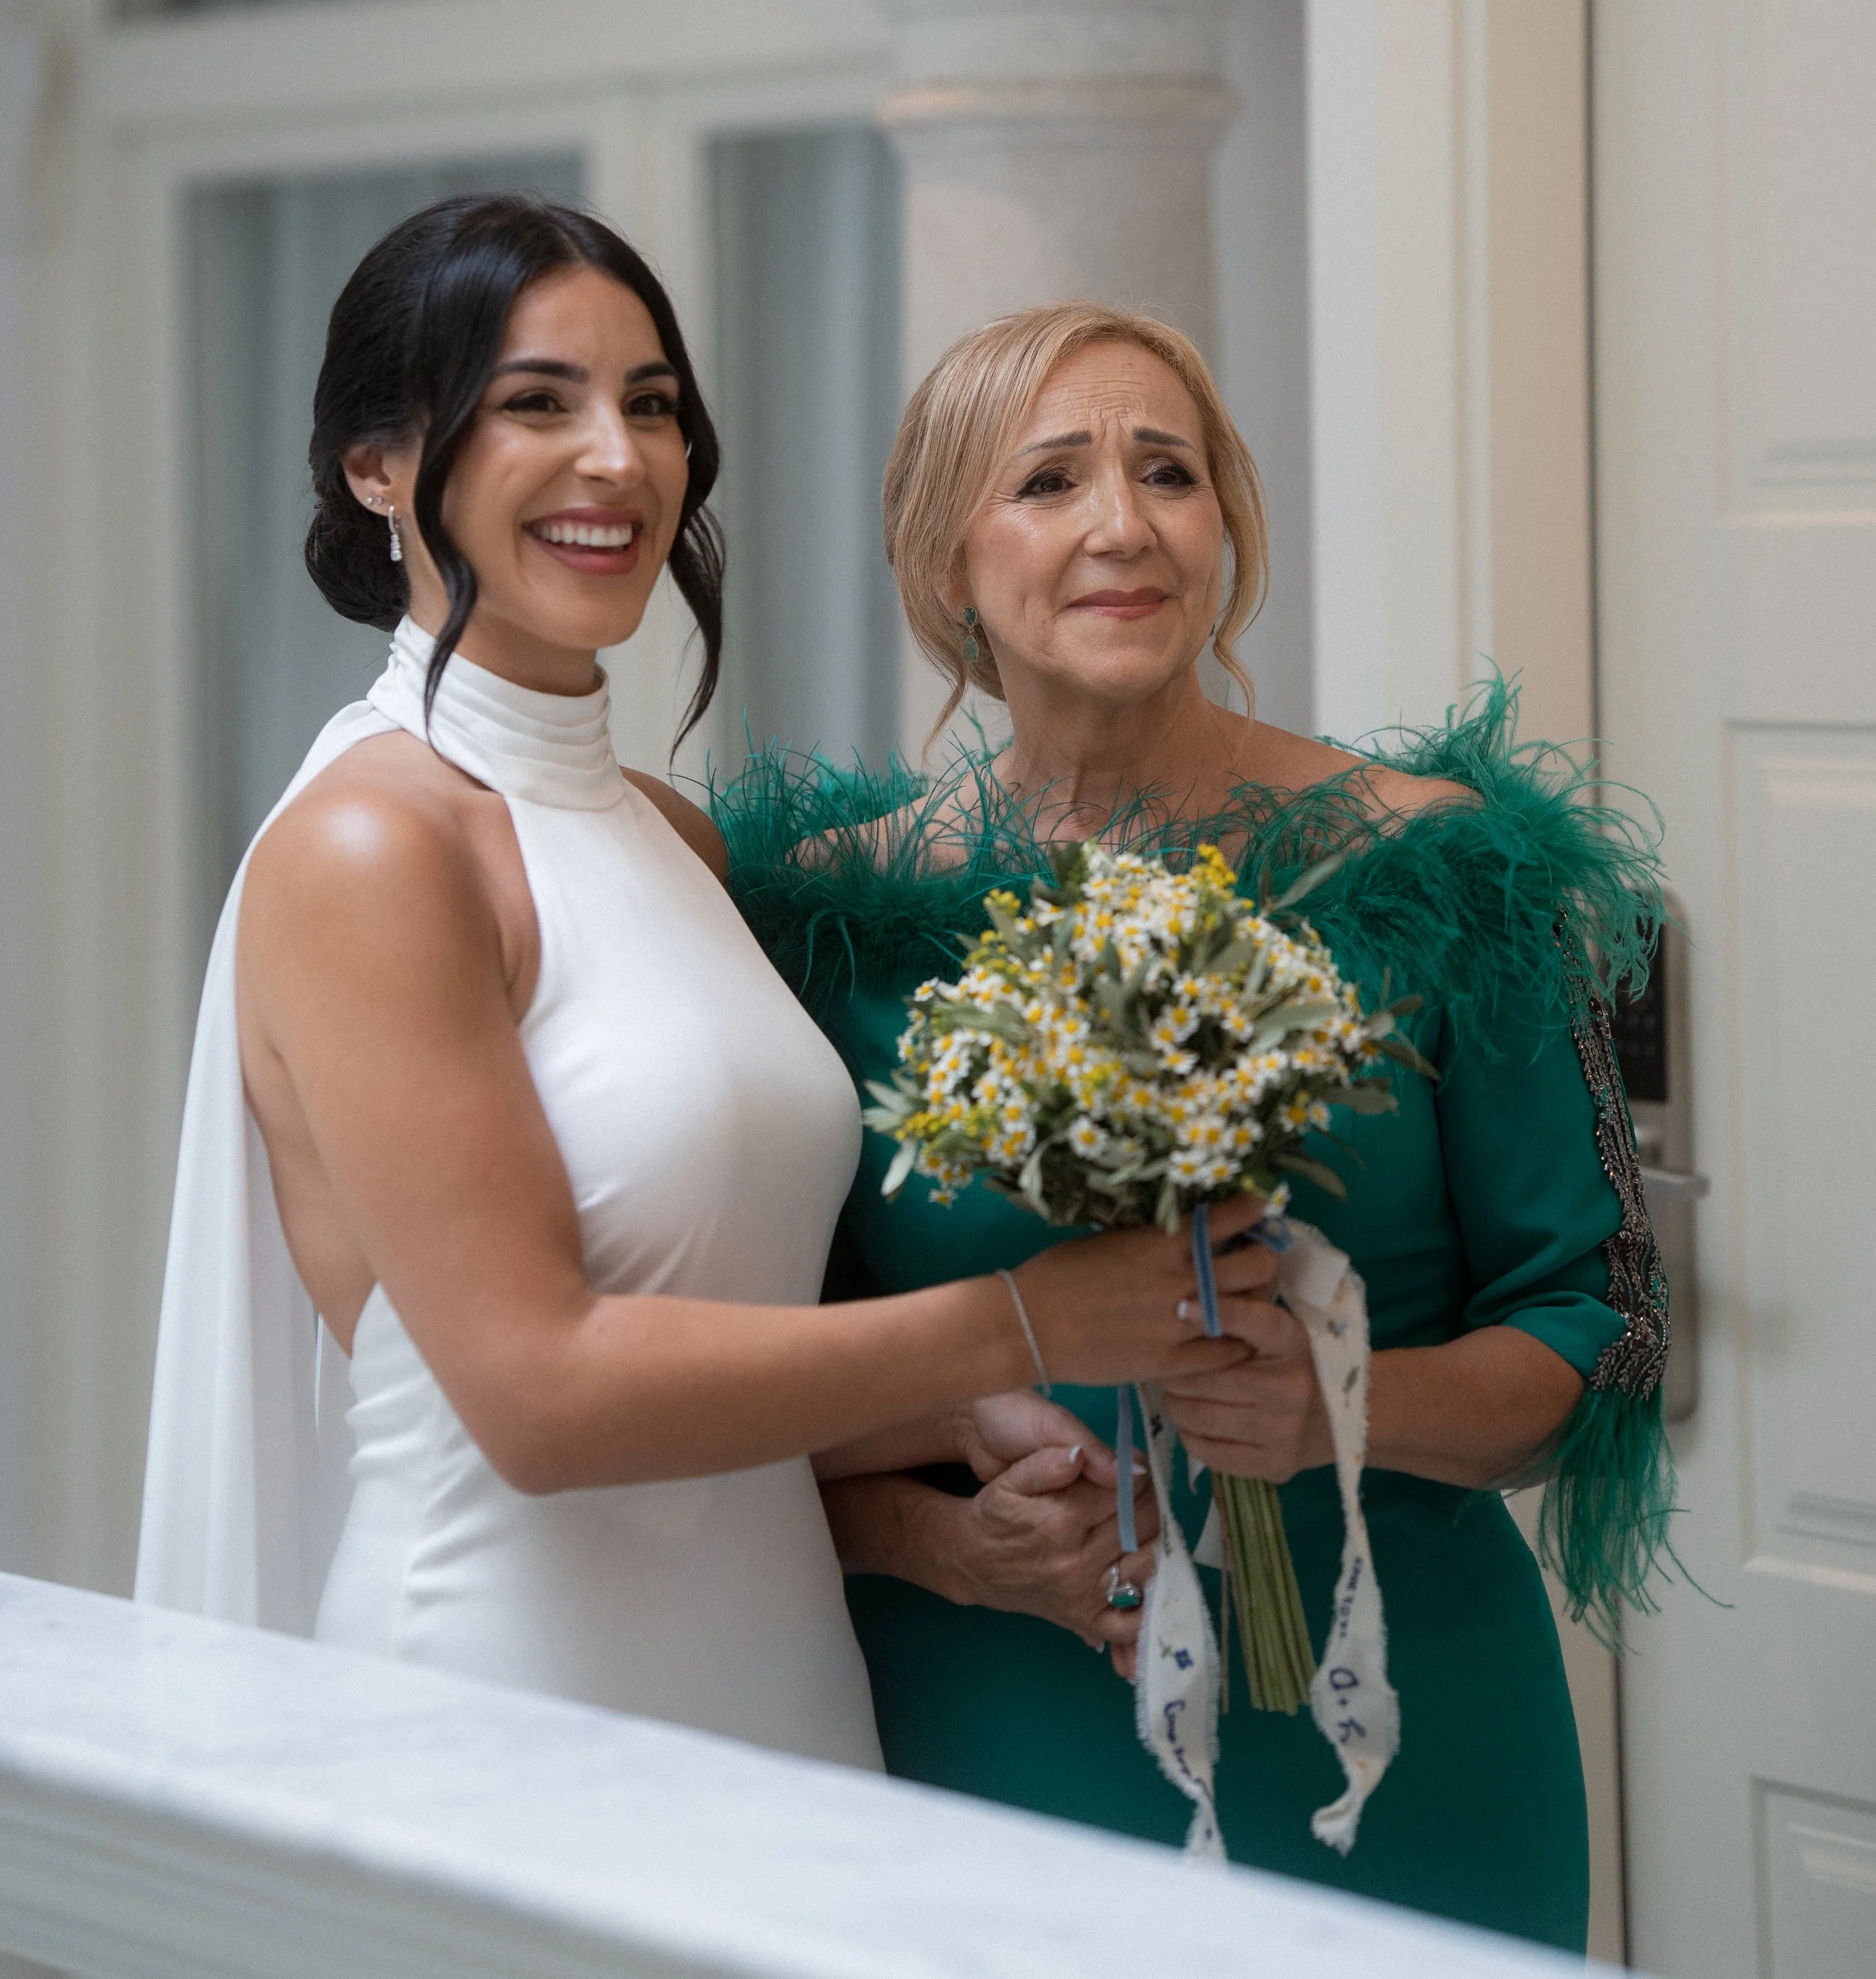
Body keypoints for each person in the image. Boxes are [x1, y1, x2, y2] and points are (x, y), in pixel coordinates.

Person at [135, 206, 1271, 1767]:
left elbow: (706, 1332)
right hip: (504, 1706)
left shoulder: (667, 834)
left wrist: (942, 1430)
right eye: (538, 401)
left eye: (651, 404)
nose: (616, 456)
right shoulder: (372, 842)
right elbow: (539, 1397)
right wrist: (1019, 1324)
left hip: (778, 1683)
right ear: (376, 465)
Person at [718, 300, 1673, 1944]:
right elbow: (727, 1390)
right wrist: (944, 1550)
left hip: (1397, 1735)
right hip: (989, 1717)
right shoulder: (817, 930)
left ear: (1221, 526)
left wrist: (1330, 1412)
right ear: (944, 558)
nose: (1121, 524)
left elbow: (1603, 1329)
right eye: (1048, 481)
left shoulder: (1441, 874)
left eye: (1167, 472)